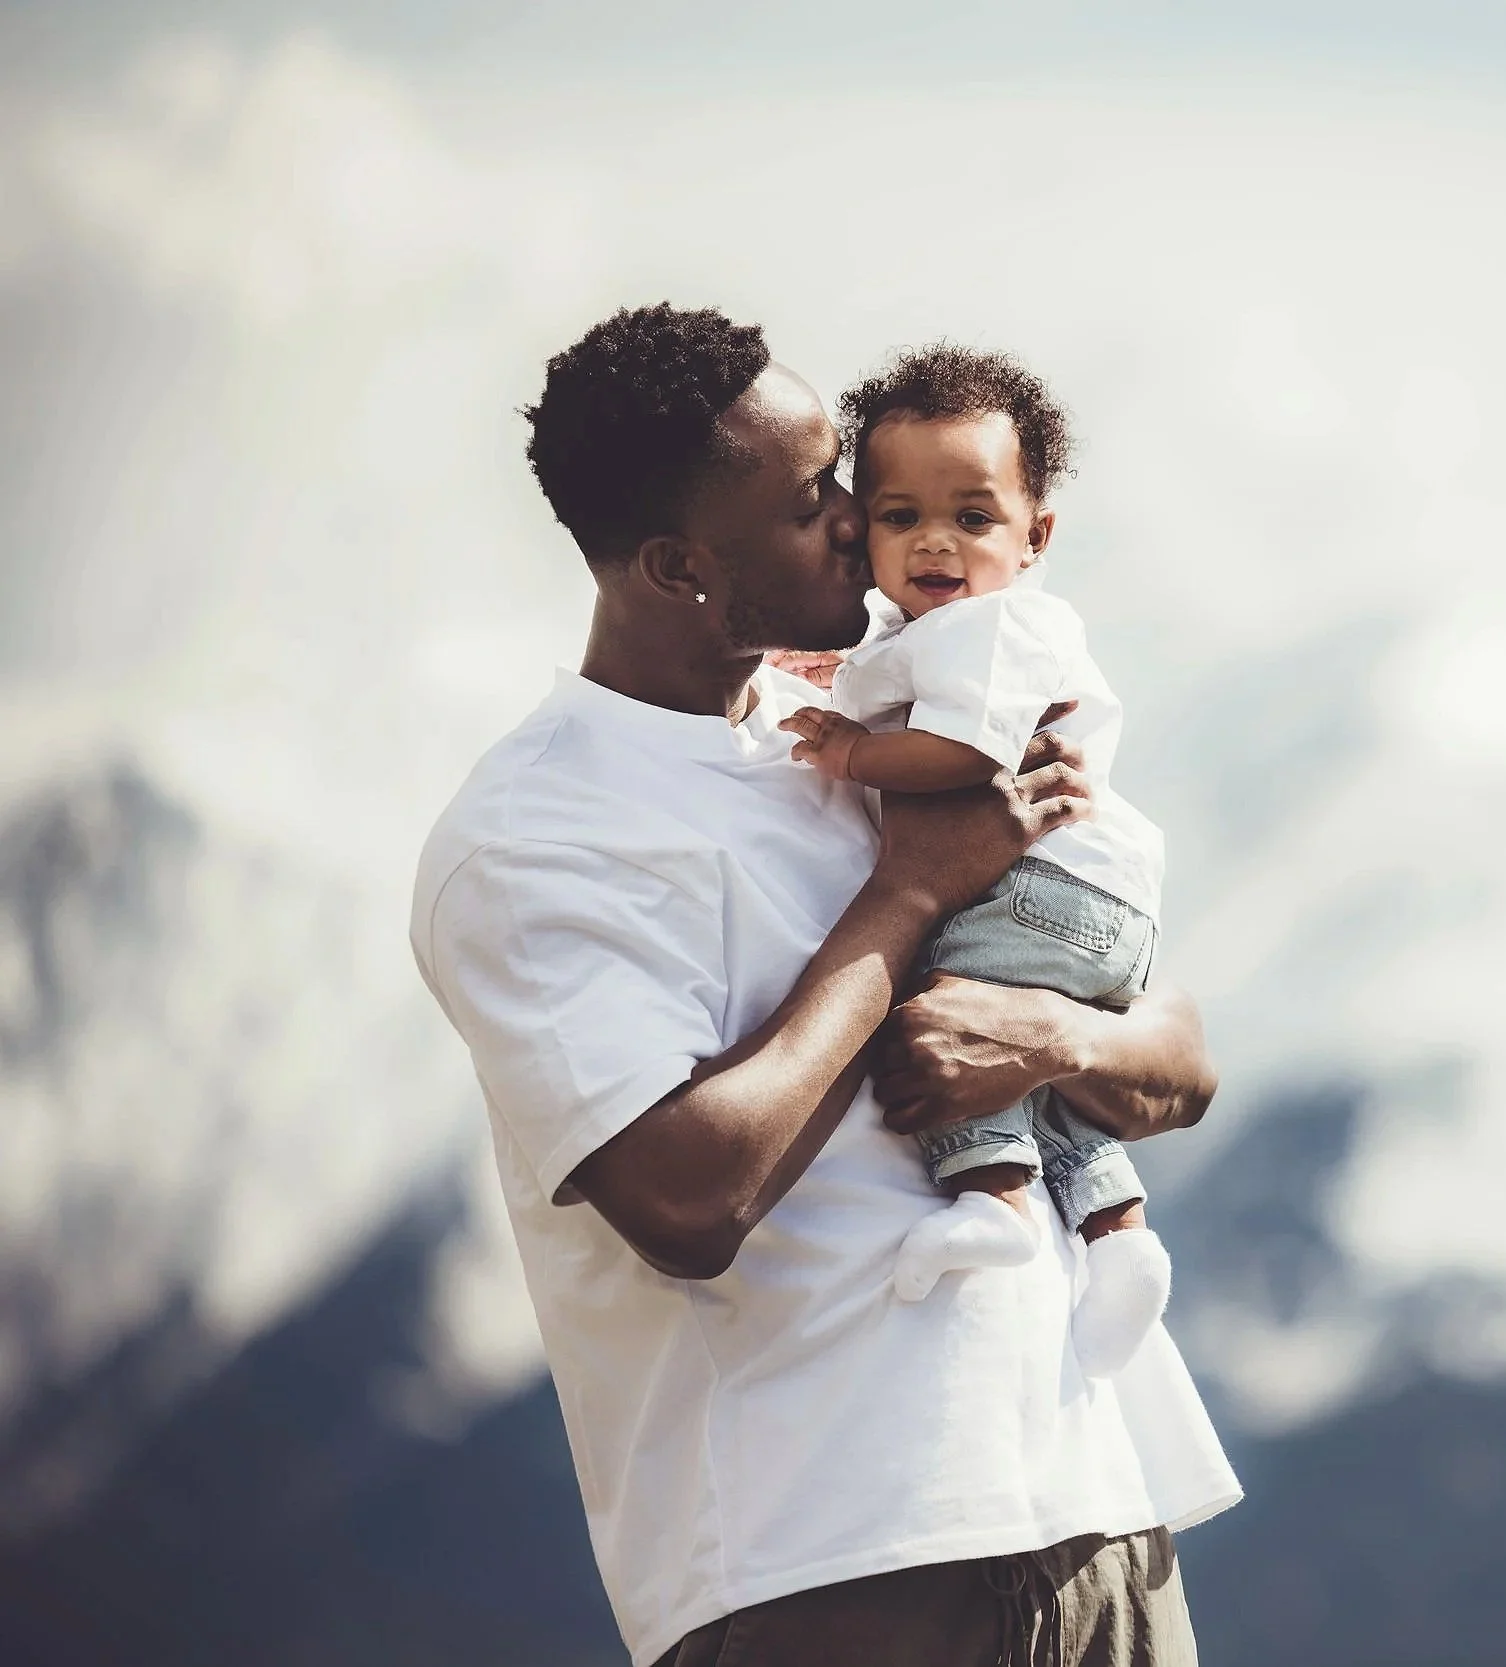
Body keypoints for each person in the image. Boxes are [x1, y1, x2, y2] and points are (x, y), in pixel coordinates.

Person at [408, 303, 1239, 1667]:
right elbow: (687, 1194)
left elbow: (1180, 1050)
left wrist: (1040, 1031)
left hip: (1101, 1518)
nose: (862, 520)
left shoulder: (907, 718)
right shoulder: (533, 837)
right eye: (811, 505)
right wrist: (909, 896)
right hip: (834, 1574)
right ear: (681, 565)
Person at [777, 344, 1170, 1381]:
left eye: (974, 517)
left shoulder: (1001, 629)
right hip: (1097, 903)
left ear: (1035, 535)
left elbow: (965, 751)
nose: (935, 542)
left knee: (947, 1012)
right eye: (901, 517)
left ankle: (993, 1203)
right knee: (1033, 1082)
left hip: (1043, 888)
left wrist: (853, 751)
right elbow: (892, 677)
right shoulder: (942, 633)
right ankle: (1117, 1229)